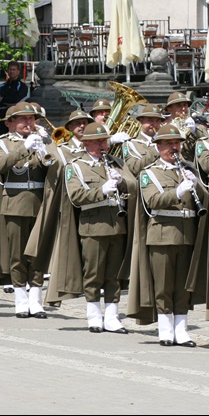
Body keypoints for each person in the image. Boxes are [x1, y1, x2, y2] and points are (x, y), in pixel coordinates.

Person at [63, 122, 137, 333]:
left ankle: (112, 316)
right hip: (93, 226)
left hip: (117, 223)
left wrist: (121, 181)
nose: (102, 145)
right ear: (86, 143)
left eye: (104, 140)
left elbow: (133, 186)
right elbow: (75, 196)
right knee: (94, 272)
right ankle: (94, 314)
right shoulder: (76, 165)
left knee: (114, 274)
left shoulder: (116, 163)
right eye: (96, 141)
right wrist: (101, 190)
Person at [138, 124, 206, 347]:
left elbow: (205, 200)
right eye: (168, 143)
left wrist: (196, 185)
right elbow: (152, 201)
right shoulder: (149, 173)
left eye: (176, 143)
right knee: (164, 284)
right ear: (158, 146)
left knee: (183, 285)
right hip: (163, 234)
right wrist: (177, 191)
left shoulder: (187, 169)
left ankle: (181, 329)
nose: (174, 147)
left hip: (187, 233)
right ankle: (165, 329)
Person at [0, 103, 53, 318]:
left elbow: (54, 166)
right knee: (17, 254)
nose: (29, 122)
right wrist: (24, 147)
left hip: (39, 202)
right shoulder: (2, 143)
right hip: (15, 203)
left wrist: (46, 145)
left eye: (31, 118)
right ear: (9, 122)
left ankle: (36, 298)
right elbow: (0, 165)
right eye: (23, 118)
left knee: (37, 254)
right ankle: (20, 298)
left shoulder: (42, 140)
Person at [123, 104, 165, 178]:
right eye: (150, 120)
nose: (154, 124)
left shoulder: (166, 141)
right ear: (141, 121)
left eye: (157, 120)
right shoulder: (130, 144)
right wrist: (156, 150)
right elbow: (134, 168)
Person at [0, 62, 29, 136]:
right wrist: (8, 101)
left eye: (14, 69)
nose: (12, 71)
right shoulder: (2, 87)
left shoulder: (22, 86)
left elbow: (16, 100)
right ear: (7, 71)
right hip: (3, 120)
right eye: (10, 69)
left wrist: (3, 99)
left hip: (16, 120)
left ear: (18, 71)